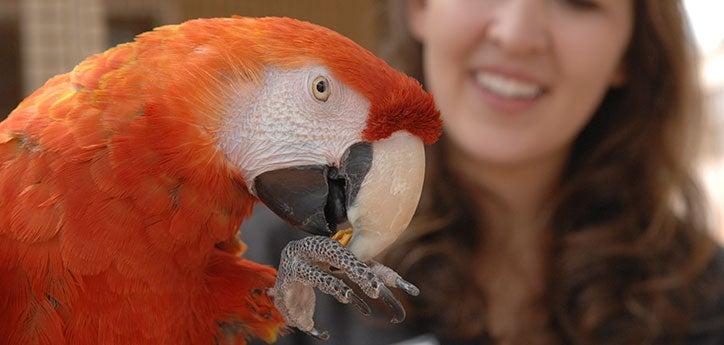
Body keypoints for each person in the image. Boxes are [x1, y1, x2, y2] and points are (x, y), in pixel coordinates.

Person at [245, 0, 724, 344]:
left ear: (628, 54)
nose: (516, 35)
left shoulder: (704, 295)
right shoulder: (259, 261)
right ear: (420, 8)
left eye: (578, 3)